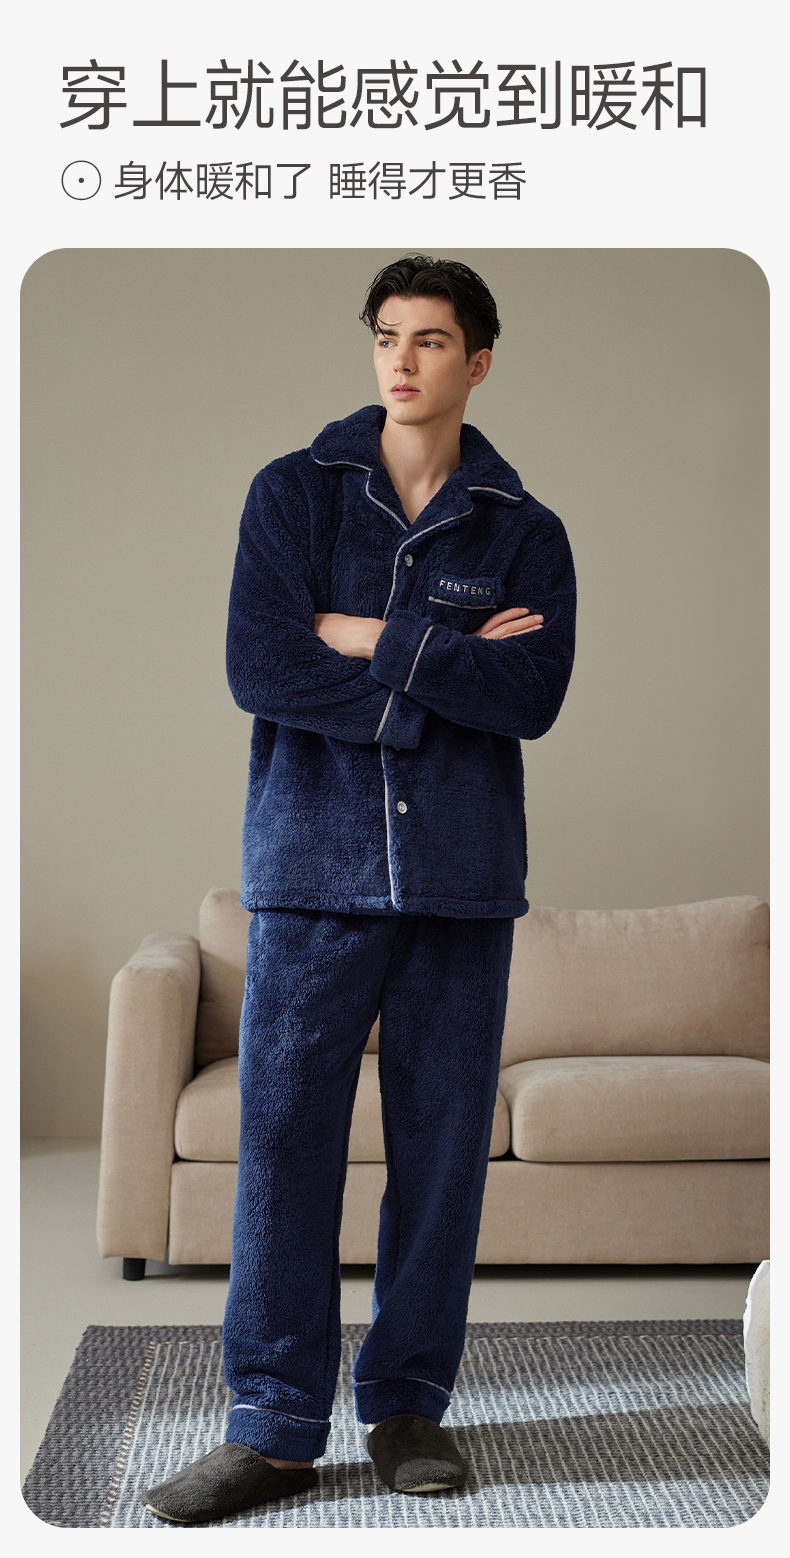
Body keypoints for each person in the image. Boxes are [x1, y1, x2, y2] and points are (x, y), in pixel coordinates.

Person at [144, 255, 576, 1524]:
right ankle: (273, 1430)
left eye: (430, 340)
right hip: (310, 878)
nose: (402, 359)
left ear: (476, 361)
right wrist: (440, 666)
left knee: (440, 1158)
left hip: (459, 884)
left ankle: (405, 1410)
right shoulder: (293, 495)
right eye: (387, 335)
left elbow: (529, 696)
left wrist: (370, 636)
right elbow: (262, 666)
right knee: (284, 1153)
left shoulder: (524, 531)